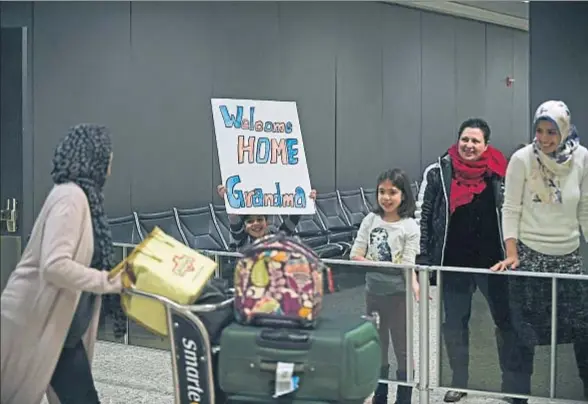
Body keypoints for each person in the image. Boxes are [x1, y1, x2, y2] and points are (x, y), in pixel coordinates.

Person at [1, 124, 124, 404]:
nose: (111, 164)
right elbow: (54, 265)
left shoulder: (79, 198)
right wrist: (108, 282)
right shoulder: (70, 198)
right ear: (95, 158)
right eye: (109, 156)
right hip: (33, 322)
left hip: (59, 329)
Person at [417, 118, 524, 403]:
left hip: (495, 263)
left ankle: (512, 386)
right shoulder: (440, 171)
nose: (469, 145)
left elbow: (514, 213)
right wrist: (425, 256)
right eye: (465, 139)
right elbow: (427, 214)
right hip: (453, 262)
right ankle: (458, 382)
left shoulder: (502, 172)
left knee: (506, 324)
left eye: (475, 141)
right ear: (458, 140)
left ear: (486, 145)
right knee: (454, 325)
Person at [492, 100, 588, 401]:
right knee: (523, 336)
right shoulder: (522, 159)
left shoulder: (583, 158)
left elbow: (585, 209)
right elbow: (510, 209)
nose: (544, 139)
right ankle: (517, 396)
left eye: (552, 131)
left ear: (565, 129)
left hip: (570, 258)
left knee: (582, 333)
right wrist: (511, 252)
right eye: (539, 130)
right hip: (530, 255)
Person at [350, 168, 420, 404]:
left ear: (403, 195)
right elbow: (355, 254)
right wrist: (381, 264)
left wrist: (415, 285)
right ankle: (380, 395)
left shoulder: (410, 226)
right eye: (382, 192)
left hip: (399, 296)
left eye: (393, 192)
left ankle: (404, 397)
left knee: (402, 348)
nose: (386, 197)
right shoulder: (370, 220)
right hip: (374, 294)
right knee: (378, 345)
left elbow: (408, 264)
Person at [216, 184, 317, 250]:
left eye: (260, 219)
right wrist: (226, 196)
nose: (255, 223)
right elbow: (234, 219)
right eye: (250, 221)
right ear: (245, 227)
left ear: (267, 223)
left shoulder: (273, 234)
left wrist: (306, 199)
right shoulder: (241, 239)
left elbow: (291, 222)